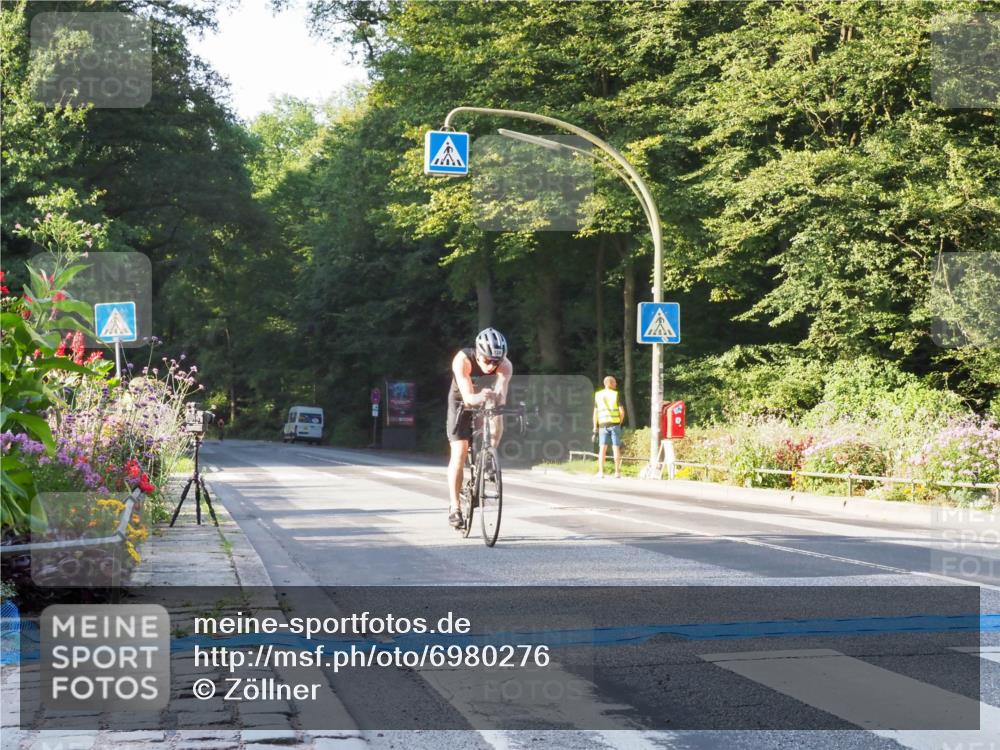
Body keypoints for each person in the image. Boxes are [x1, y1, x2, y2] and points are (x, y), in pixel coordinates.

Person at [447, 327, 513, 527]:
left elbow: (501, 396)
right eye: (487, 361)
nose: (492, 365)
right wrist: (479, 396)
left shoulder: (505, 365)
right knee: (460, 450)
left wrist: (495, 399)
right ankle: (455, 507)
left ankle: (489, 458)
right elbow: (468, 398)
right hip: (461, 400)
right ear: (478, 353)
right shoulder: (462, 360)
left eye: (496, 361)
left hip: (486, 397)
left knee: (497, 411)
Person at [593, 375, 625, 478]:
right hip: (615, 424)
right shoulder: (615, 394)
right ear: (609, 383)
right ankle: (617, 472)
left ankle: (601, 472)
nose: (616, 384)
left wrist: (595, 427)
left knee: (602, 449)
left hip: (602, 425)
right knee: (616, 448)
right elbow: (622, 412)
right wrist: (619, 422)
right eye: (614, 382)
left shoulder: (598, 395)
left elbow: (595, 413)